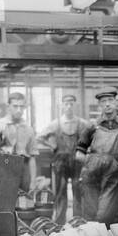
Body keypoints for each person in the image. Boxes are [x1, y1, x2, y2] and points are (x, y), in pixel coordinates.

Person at [74, 88, 118, 226]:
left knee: (106, 215)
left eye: (110, 100)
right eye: (103, 101)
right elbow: (78, 154)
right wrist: (93, 162)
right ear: (99, 105)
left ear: (117, 102)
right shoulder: (91, 126)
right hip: (91, 175)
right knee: (90, 215)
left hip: (113, 175)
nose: (107, 104)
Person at [35, 94, 87, 225]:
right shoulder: (55, 124)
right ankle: (59, 223)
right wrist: (51, 145)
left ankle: (78, 223)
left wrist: (85, 150)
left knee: (77, 191)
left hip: (77, 162)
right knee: (60, 192)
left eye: (71, 104)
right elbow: (39, 137)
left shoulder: (82, 123)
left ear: (75, 105)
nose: (69, 107)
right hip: (60, 163)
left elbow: (93, 137)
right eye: (66, 104)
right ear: (62, 106)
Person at [0, 91, 36, 193]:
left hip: (24, 170)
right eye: (15, 106)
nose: (19, 110)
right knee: (5, 199)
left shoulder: (28, 129)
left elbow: (32, 157)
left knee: (24, 200)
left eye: (22, 107)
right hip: (4, 167)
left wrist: (33, 181)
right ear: (8, 106)